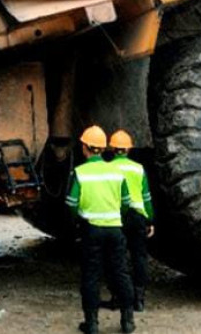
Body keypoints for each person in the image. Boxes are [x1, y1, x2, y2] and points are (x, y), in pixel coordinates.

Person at [66, 125, 136, 334]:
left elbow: (71, 203)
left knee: (91, 275)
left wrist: (78, 221)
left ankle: (92, 323)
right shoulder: (116, 172)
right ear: (105, 148)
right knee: (120, 273)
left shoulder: (80, 173)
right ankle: (127, 321)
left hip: (91, 230)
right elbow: (126, 202)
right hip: (115, 230)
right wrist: (116, 217)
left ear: (85, 148)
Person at [106, 129, 154, 312]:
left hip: (116, 217)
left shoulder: (108, 168)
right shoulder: (138, 168)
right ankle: (139, 299)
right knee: (139, 257)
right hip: (137, 217)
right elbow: (146, 197)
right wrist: (150, 220)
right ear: (128, 150)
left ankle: (117, 297)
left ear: (112, 148)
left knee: (115, 258)